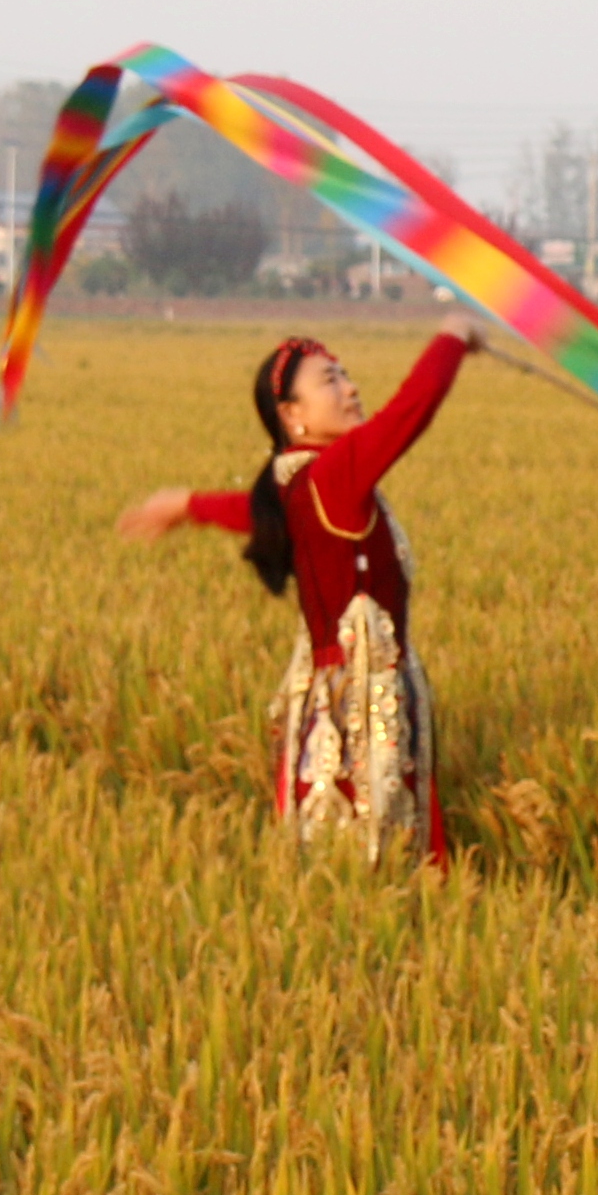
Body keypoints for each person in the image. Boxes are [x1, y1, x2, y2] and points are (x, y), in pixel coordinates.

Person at [115, 330, 480, 869]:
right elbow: (409, 412)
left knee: (331, 858)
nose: (351, 389)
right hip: (364, 712)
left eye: (346, 375)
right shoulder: (333, 475)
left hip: (329, 703)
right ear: (292, 414)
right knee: (382, 857)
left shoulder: (299, 485)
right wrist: (452, 338)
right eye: (330, 381)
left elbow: (260, 515)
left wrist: (189, 505)